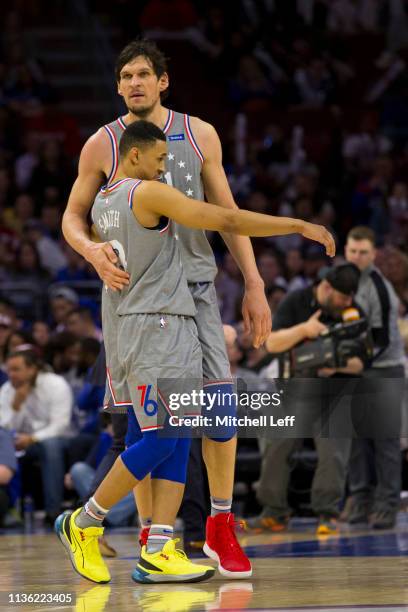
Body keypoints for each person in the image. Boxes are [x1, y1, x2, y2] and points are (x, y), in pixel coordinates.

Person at [55, 120, 334, 585]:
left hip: (140, 326)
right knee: (162, 439)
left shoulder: (103, 200)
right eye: (161, 160)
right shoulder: (146, 193)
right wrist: (297, 225)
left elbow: (76, 222)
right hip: (157, 327)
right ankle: (84, 519)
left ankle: (159, 547)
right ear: (136, 155)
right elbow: (225, 219)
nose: (167, 169)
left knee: (177, 436)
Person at [60, 38, 280, 576]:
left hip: (197, 292)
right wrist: (91, 251)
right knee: (152, 426)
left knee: (219, 414)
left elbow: (227, 213)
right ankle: (150, 540)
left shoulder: (198, 133)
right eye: (125, 75)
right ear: (117, 85)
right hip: (137, 298)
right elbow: (72, 218)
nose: (134, 83)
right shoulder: (103, 144)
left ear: (163, 81)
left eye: (143, 74)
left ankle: (218, 526)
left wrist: (253, 283)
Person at [249, 264, 363, 535]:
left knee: (333, 452)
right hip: (295, 387)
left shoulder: (352, 312)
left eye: (350, 297)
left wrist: (335, 366)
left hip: (333, 391)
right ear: (326, 287)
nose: (347, 302)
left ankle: (327, 513)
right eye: (343, 297)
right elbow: (272, 343)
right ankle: (274, 512)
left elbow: (359, 363)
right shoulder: (296, 301)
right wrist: (305, 329)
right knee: (277, 446)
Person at [345, 226, 406, 528]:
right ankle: (360, 498)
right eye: (353, 251)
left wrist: (358, 361)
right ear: (345, 250)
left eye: (363, 252)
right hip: (357, 369)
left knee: (385, 441)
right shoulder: (343, 281)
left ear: (374, 254)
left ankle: (387, 503)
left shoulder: (379, 286)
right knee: (357, 440)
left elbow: (381, 339)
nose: (357, 257)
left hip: (384, 368)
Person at [0, 349, 74, 523]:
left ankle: (52, 512)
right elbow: (4, 428)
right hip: (19, 443)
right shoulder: (7, 390)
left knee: (50, 446)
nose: (11, 375)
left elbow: (60, 425)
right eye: (9, 370)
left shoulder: (56, 384)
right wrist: (17, 405)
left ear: (33, 369)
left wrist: (33, 439)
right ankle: (10, 509)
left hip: (58, 440)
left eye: (16, 369)